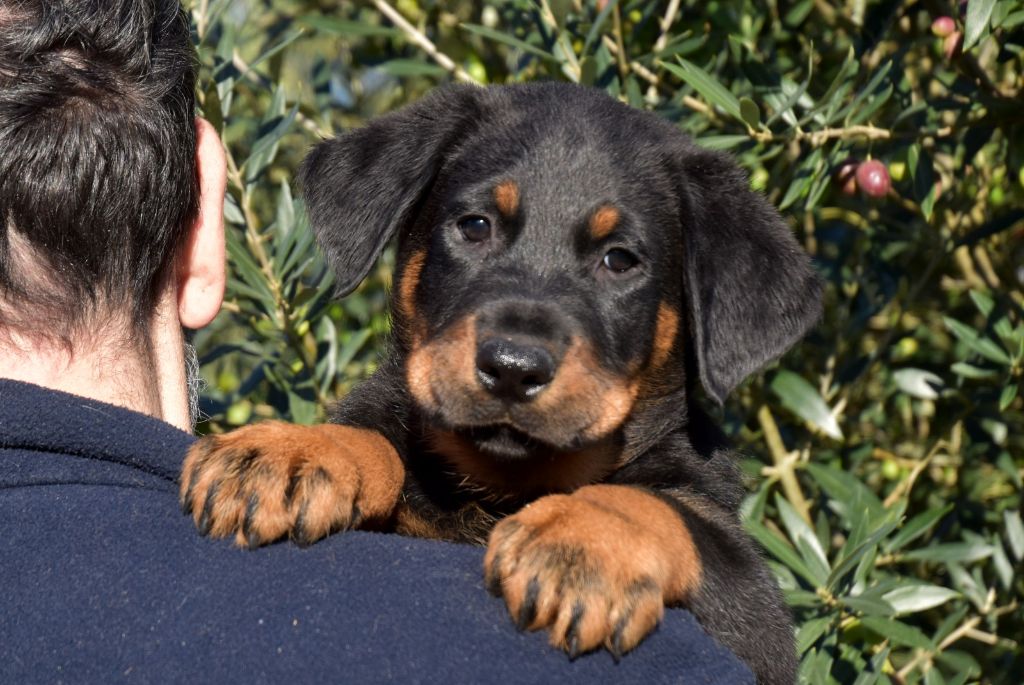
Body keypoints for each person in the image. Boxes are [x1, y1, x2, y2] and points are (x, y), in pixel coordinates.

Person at [0, 1, 753, 682]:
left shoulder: (671, 528)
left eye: (619, 262)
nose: (517, 352)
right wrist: (362, 456)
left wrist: (639, 527)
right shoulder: (360, 462)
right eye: (474, 227)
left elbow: (758, 637)